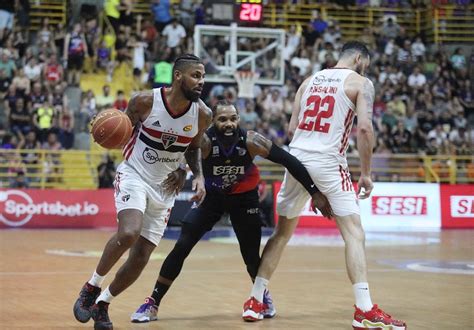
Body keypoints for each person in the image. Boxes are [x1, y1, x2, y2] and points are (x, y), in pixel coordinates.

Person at [241, 41, 407, 329]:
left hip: (297, 159)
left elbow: (292, 129)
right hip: (329, 162)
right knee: (354, 233)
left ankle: (255, 300)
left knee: (282, 233)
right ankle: (364, 309)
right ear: (359, 58)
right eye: (364, 63)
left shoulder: (309, 80)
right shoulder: (360, 82)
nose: (365, 67)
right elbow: (365, 129)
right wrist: (366, 173)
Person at [129, 99, 333, 323]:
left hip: (244, 200)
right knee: (182, 245)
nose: (229, 123)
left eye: (233, 119)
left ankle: (261, 296)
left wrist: (314, 192)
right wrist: (181, 171)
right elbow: (181, 154)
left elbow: (289, 161)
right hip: (212, 199)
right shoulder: (204, 141)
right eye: (223, 119)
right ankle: (153, 303)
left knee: (251, 257)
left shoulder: (252, 141)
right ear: (213, 121)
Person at [72, 54, 212, 330]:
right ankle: (91, 286)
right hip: (134, 174)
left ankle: (103, 304)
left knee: (141, 257)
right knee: (128, 232)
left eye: (203, 76)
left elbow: (195, 147)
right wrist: (105, 130)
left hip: (165, 189)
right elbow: (122, 131)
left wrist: (194, 174)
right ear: (178, 76)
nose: (201, 82)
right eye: (196, 75)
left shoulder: (203, 114)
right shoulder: (144, 101)